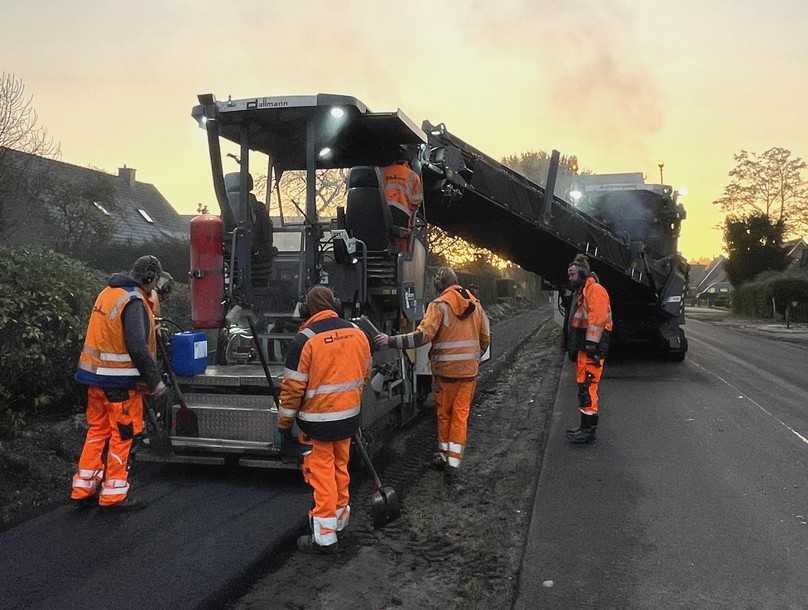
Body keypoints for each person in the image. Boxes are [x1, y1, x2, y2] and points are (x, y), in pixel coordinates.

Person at [278, 286, 371, 554]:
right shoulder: (357, 333)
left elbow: (293, 390)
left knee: (322, 476)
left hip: (317, 423)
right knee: (341, 468)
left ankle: (325, 538)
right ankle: (340, 521)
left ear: (308, 309)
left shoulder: (304, 340)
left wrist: (284, 426)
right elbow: (365, 373)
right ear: (334, 304)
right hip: (348, 418)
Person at [375, 267, 490, 484]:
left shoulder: (438, 306)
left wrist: (391, 341)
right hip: (468, 373)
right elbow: (485, 338)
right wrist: (474, 358)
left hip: (445, 373)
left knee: (445, 414)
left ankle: (447, 459)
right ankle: (451, 461)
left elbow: (421, 337)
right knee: (460, 415)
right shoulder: (476, 305)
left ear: (439, 285)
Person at [71, 255, 167, 510]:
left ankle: (84, 487)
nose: (154, 287)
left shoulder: (107, 293)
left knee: (97, 431)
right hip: (119, 384)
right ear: (149, 278)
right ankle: (113, 495)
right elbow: (137, 346)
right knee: (122, 435)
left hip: (94, 379)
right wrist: (155, 381)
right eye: (154, 281)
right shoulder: (133, 301)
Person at [565, 254, 613, 444]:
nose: (570, 276)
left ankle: (589, 430)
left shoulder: (595, 290)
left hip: (591, 350)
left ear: (582, 272)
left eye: (572, 273)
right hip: (586, 350)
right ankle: (585, 427)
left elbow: (598, 318)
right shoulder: (584, 291)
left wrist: (591, 344)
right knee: (584, 387)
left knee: (588, 387)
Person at [383, 147, 423, 252]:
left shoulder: (383, 171)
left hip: (382, 211)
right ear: (407, 162)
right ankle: (401, 261)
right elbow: (416, 202)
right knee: (403, 240)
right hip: (401, 213)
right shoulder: (413, 176)